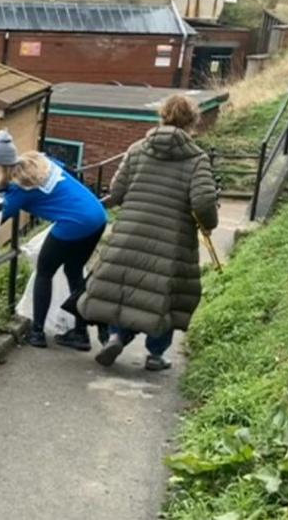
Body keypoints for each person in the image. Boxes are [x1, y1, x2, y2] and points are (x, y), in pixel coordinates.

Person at [79, 95, 218, 371]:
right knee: (164, 293)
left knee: (126, 286)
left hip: (130, 230)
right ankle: (155, 354)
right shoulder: (196, 159)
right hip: (172, 239)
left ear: (162, 115)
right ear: (192, 121)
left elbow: (117, 192)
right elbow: (203, 202)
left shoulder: (137, 149)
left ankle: (117, 335)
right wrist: (209, 224)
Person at [0, 130, 107, 350]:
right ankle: (82, 332)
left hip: (73, 223)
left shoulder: (20, 189)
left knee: (44, 271)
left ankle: (37, 333)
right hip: (97, 216)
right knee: (74, 272)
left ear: (3, 165)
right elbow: (68, 170)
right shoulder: (39, 161)